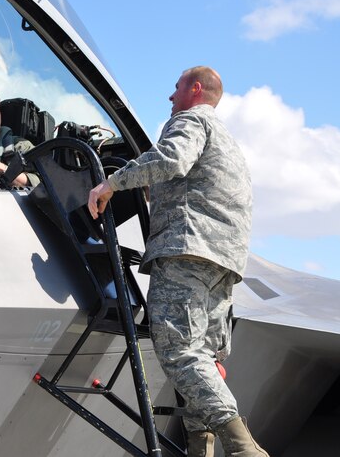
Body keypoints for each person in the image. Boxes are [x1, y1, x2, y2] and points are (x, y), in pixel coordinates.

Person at [86, 66, 268, 457]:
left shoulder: (191, 120)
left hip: (187, 250)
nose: (170, 97)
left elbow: (171, 159)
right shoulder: (228, 142)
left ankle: (242, 448)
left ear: (195, 89)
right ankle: (200, 448)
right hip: (222, 261)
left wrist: (111, 183)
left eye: (176, 88)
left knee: (179, 350)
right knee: (206, 359)